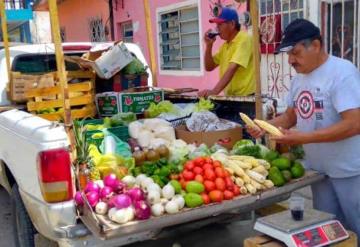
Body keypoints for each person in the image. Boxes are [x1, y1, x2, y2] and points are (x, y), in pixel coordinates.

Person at [246, 19, 360, 240]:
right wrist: (265, 127)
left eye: (295, 53)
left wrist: (304, 137)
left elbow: (354, 123)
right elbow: (291, 115)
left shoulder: (342, 73)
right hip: (319, 172)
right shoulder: (299, 79)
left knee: (356, 226)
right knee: (329, 230)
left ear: (315, 46)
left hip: (349, 171)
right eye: (288, 54)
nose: (290, 60)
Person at [198, 7, 255, 97]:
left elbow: (232, 68)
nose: (217, 29)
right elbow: (209, 67)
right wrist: (209, 46)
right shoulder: (225, 46)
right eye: (217, 25)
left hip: (246, 98)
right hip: (232, 97)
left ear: (232, 24)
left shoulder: (244, 39)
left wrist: (214, 92)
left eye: (220, 25)